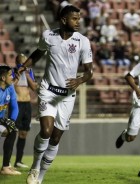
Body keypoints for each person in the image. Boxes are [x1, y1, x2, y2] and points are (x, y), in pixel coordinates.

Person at [17, 5, 93, 184]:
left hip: (67, 96)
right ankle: (35, 168)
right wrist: (25, 65)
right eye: (74, 18)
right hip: (48, 91)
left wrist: (80, 80)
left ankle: (40, 178)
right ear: (64, 19)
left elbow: (90, 71)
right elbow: (39, 52)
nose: (78, 22)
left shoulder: (83, 41)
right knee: (46, 130)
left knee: (56, 138)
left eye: (79, 18)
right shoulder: (48, 36)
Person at [13, 54, 38, 168]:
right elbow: (10, 85)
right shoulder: (13, 71)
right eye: (23, 60)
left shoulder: (29, 72)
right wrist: (19, 72)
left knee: (24, 133)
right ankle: (7, 161)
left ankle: (18, 161)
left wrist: (27, 74)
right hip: (17, 104)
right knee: (12, 132)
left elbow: (34, 87)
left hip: (27, 104)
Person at [0, 65, 20, 175]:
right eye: (9, 75)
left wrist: (12, 120)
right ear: (3, 78)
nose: (12, 77)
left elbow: (14, 106)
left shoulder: (10, 87)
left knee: (12, 130)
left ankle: (6, 167)